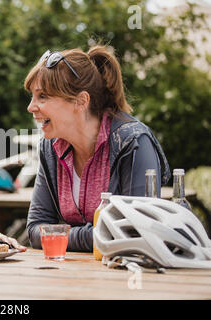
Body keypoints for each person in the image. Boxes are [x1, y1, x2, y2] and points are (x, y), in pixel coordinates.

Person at [25, 46, 171, 252]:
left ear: (81, 101)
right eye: (32, 97)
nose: (31, 107)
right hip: (71, 276)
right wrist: (96, 234)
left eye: (43, 97)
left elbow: (136, 232)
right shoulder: (51, 148)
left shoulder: (133, 142)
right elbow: (34, 231)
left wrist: (60, 235)